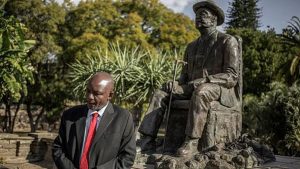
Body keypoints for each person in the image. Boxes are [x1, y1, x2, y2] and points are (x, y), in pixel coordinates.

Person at [138, 0, 240, 157]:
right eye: (197, 15)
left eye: (203, 15)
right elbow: (184, 76)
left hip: (218, 88)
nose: (198, 18)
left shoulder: (227, 41)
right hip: (190, 87)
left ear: (214, 19)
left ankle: (192, 141)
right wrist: (175, 83)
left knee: (201, 92)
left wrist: (206, 80)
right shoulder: (191, 46)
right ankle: (147, 140)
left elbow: (232, 76)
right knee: (161, 93)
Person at [52, 72, 136, 169]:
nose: (90, 97)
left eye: (97, 93)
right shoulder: (70, 115)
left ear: (110, 95)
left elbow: (127, 157)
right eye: (88, 91)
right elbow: (58, 148)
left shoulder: (123, 118)